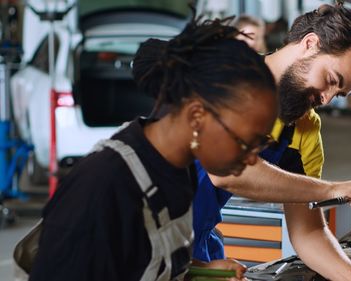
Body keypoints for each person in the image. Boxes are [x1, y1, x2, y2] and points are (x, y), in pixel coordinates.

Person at [28, 14, 278, 281]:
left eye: (260, 143)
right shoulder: (103, 186)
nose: (252, 158)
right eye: (245, 142)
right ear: (197, 116)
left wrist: (200, 270)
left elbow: (137, 258)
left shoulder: (179, 169)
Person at [192, 3, 351, 281]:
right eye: (330, 80)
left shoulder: (305, 130)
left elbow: (308, 231)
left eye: (337, 94)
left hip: (195, 247)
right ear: (310, 43)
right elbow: (225, 172)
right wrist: (334, 189)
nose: (325, 99)